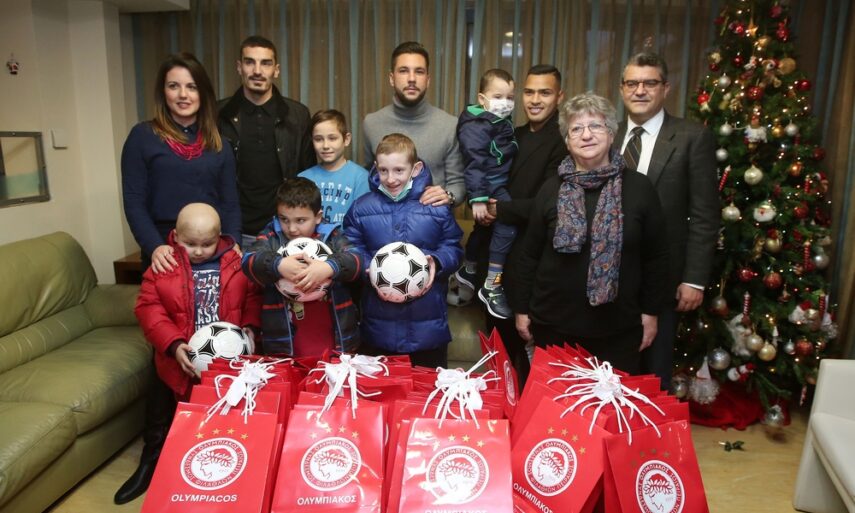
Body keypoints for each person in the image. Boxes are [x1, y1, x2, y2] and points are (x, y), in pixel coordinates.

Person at [514, 93, 669, 375]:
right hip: (553, 327)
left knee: (612, 403)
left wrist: (650, 313)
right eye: (576, 129)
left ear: (611, 134)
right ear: (567, 140)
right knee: (555, 404)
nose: (586, 135)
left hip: (618, 330)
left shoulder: (639, 189)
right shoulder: (550, 189)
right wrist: (522, 310)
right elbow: (529, 255)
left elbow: (656, 258)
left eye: (595, 126)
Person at [116, 203, 261, 504]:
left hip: (226, 362)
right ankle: (152, 460)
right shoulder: (163, 265)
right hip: (179, 356)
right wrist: (172, 344)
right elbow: (148, 308)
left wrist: (250, 326)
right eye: (190, 243)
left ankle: (222, 470)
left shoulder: (236, 262)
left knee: (223, 417)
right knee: (163, 407)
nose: (198, 251)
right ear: (175, 236)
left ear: (220, 237)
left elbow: (253, 297)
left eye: (207, 244)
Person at [615, 52, 718, 388]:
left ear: (666, 88)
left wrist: (694, 279)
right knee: (612, 368)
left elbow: (705, 214)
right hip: (610, 277)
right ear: (622, 88)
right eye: (632, 83)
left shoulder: (692, 137)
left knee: (653, 373)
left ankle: (648, 422)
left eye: (650, 83)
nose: (640, 90)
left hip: (662, 278)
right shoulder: (608, 135)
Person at [473, 64, 568, 385]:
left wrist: (499, 209)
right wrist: (481, 201)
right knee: (498, 360)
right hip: (497, 260)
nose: (535, 99)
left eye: (545, 92)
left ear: (559, 96)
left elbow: (549, 203)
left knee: (533, 367)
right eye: (529, 92)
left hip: (535, 266)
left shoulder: (565, 141)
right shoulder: (512, 134)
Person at [344, 134, 463, 368]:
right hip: (378, 329)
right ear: (376, 167)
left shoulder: (435, 206)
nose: (390, 178)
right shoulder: (361, 208)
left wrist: (437, 261)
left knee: (429, 387)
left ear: (415, 169)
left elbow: (454, 247)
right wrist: (370, 269)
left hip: (428, 330)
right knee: (381, 386)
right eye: (383, 170)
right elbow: (350, 247)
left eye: (399, 170)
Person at [122, 52, 241, 274]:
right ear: (163, 92)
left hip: (212, 251)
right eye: (174, 86)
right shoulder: (142, 136)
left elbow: (230, 204)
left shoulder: (220, 144)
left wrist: (233, 243)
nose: (183, 94)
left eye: (192, 87)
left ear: (203, 93)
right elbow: (134, 201)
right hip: (164, 253)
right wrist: (155, 247)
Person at [241, 177, 361, 356]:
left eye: (300, 220)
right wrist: (278, 264)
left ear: (318, 216)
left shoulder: (332, 236)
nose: (292, 229)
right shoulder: (272, 236)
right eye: (284, 219)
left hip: (332, 340)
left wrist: (329, 267)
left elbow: (356, 260)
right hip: (285, 344)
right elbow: (248, 261)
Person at [218, 35, 315, 248]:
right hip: (232, 233)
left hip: (284, 232)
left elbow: (307, 176)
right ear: (239, 67)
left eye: (266, 63)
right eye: (249, 62)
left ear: (276, 70)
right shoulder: (218, 114)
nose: (257, 71)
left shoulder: (297, 115)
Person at [362, 41, 464, 208]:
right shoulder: (371, 123)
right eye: (403, 71)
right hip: (383, 221)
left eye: (419, 71)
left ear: (428, 80)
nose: (411, 79)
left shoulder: (449, 125)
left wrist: (448, 196)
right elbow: (367, 178)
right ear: (392, 78)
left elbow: (458, 182)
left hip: (432, 220)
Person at [453, 68, 519, 319]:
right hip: (490, 185)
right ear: (482, 99)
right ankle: (492, 284)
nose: (505, 103)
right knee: (508, 225)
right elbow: (474, 162)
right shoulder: (477, 125)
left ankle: (469, 267)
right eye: (498, 96)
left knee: (483, 229)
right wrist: (478, 199)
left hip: (497, 181)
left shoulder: (496, 120)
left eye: (510, 97)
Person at [299, 109, 370, 224]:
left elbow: (363, 222)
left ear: (346, 139)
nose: (325, 145)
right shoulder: (303, 179)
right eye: (318, 139)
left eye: (332, 138)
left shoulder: (361, 178)